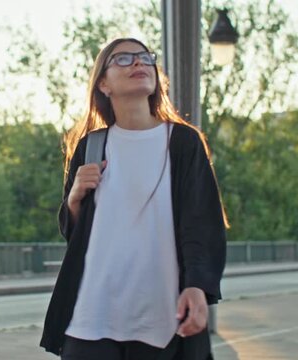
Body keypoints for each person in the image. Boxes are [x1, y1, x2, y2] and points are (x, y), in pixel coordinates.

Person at [40, 38, 227, 360]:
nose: (139, 63)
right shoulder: (91, 146)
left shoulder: (182, 142)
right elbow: (75, 235)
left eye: (144, 57)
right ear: (103, 83)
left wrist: (197, 285)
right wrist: (73, 199)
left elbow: (202, 222)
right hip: (91, 311)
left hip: (160, 312)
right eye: (123, 59)